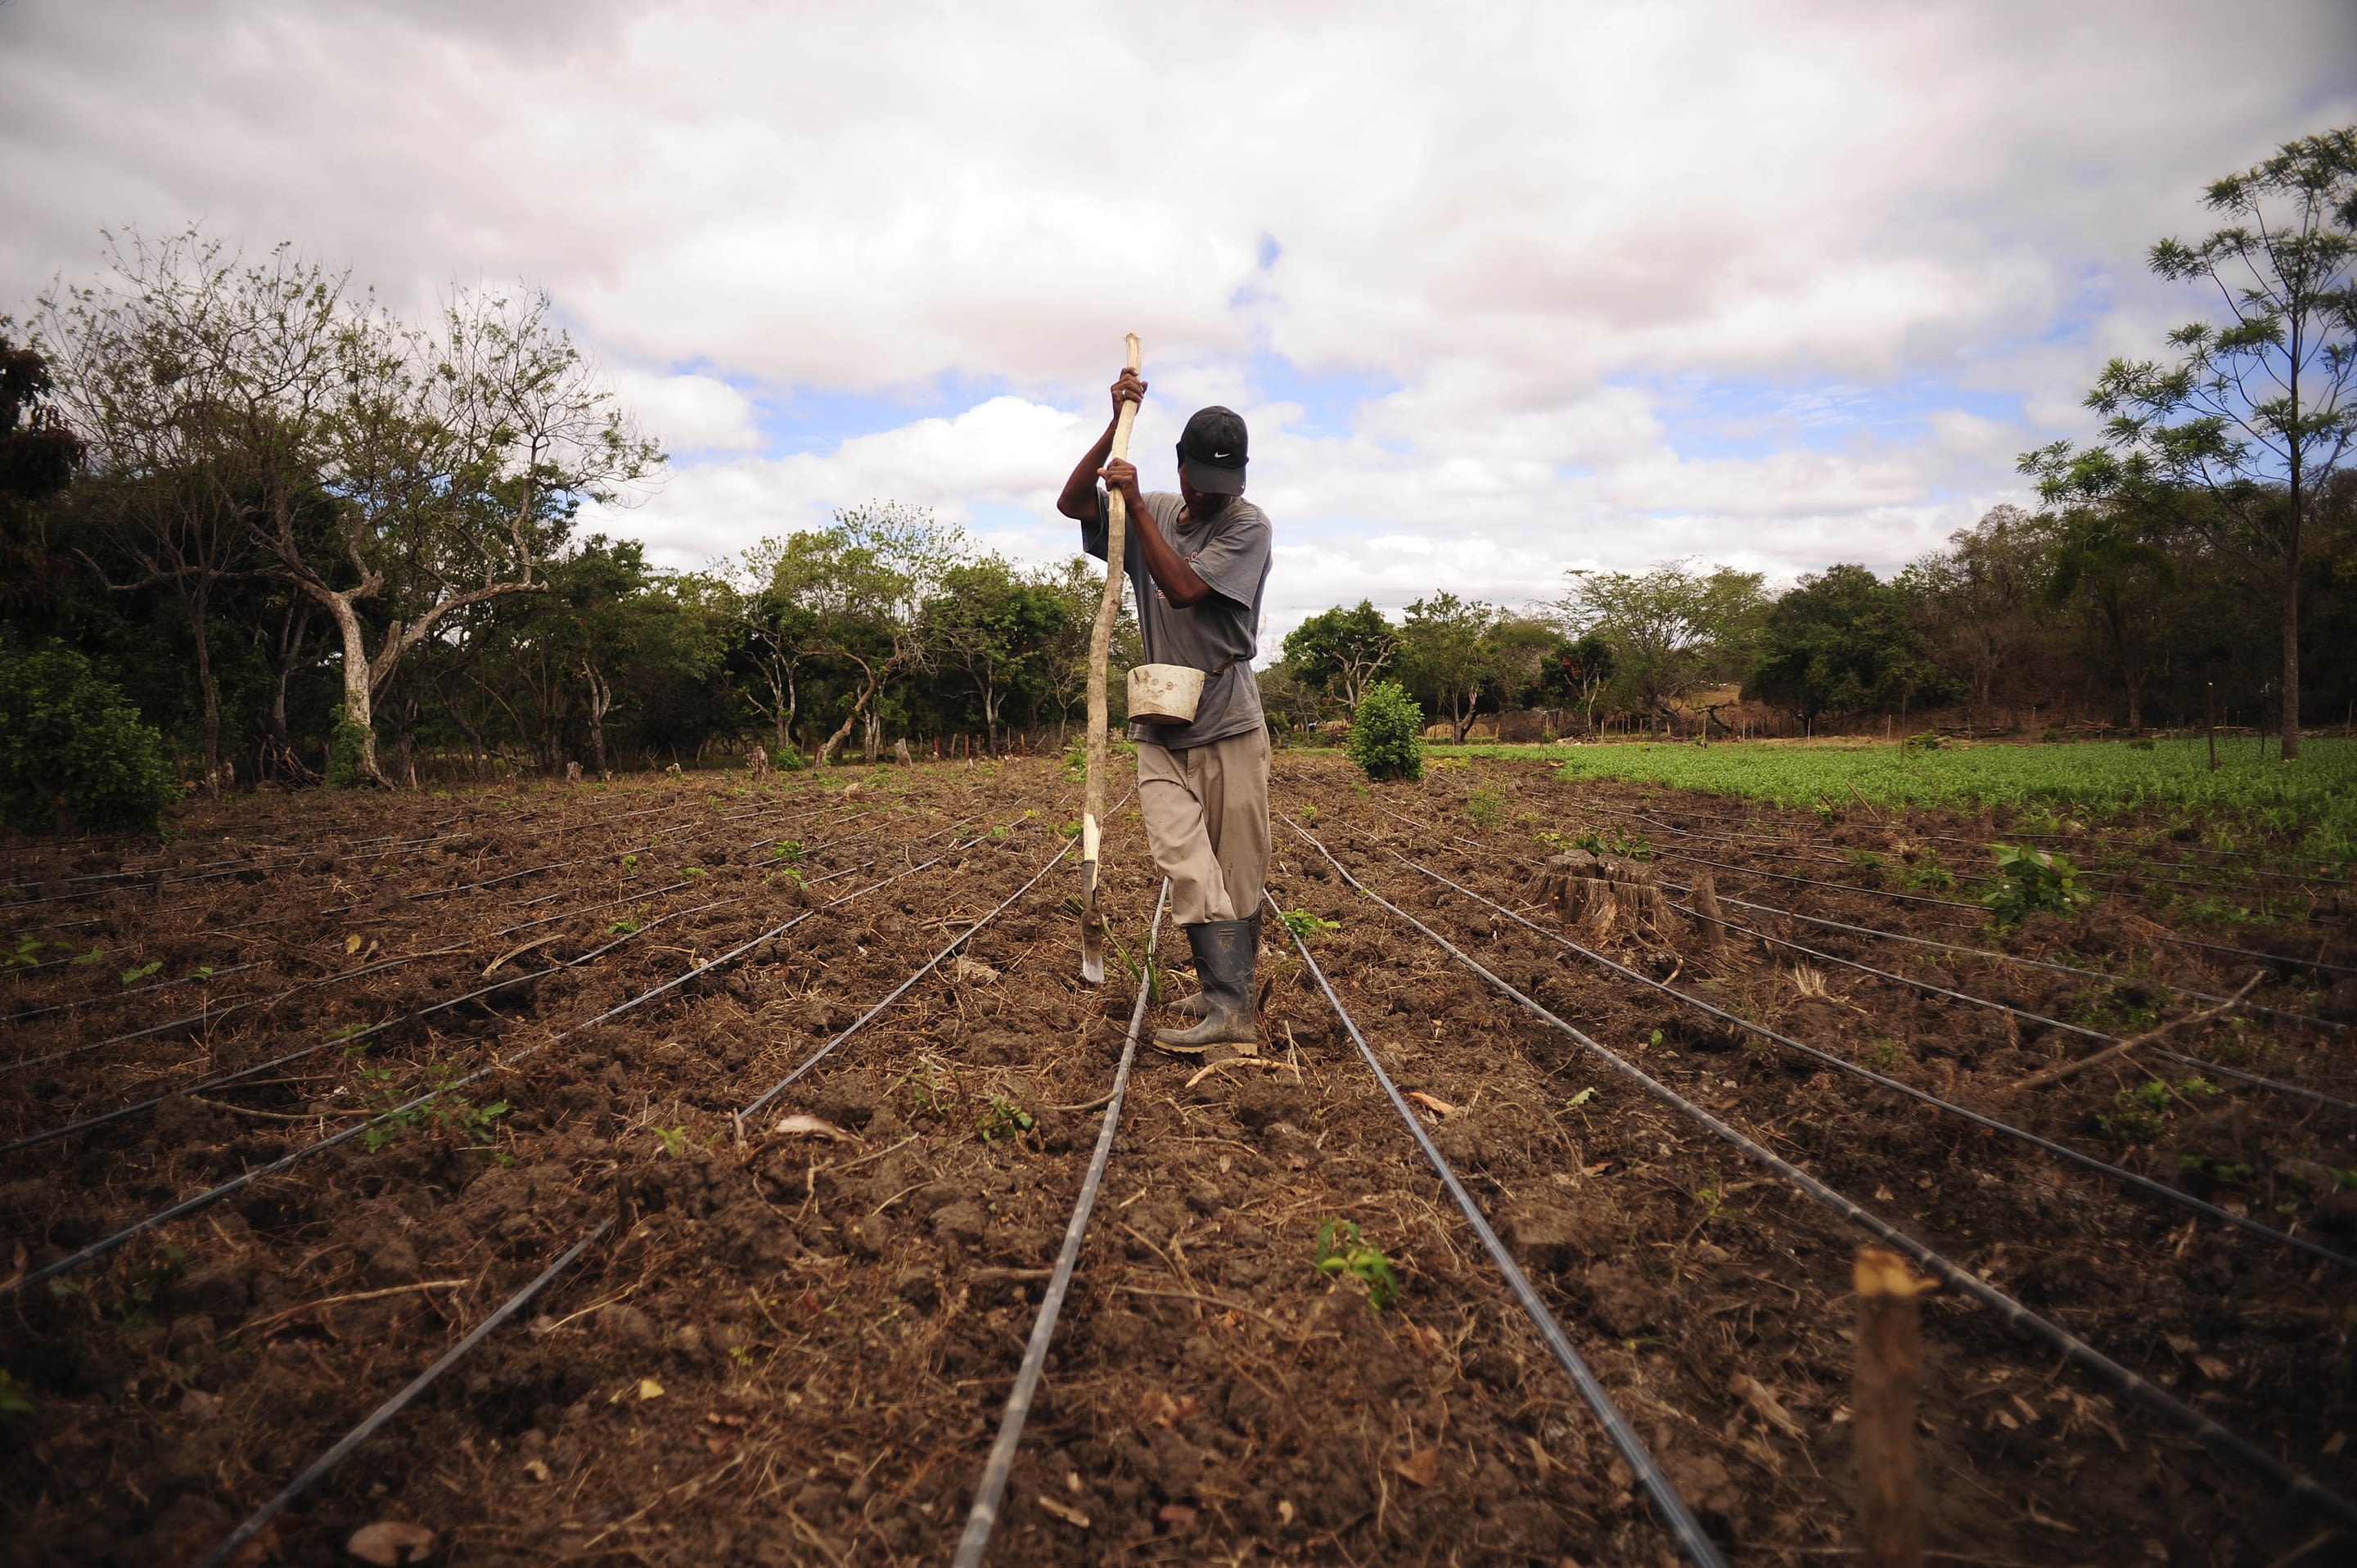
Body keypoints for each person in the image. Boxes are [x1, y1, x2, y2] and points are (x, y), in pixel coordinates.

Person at [1057, 366, 1273, 1054]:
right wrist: (1113, 423)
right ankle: (1227, 1002)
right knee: (1184, 858)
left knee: (1238, 870)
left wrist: (1138, 512)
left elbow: (1181, 588)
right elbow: (1072, 504)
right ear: (1179, 473)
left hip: (1228, 718)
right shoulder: (1153, 504)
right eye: (1201, 486)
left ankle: (1228, 1004)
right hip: (1160, 720)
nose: (1211, 498)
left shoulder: (1249, 527)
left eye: (1224, 488)